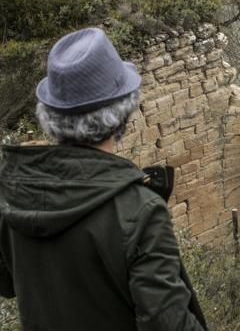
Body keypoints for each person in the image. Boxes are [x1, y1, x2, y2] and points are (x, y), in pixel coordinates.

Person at [0, 27, 206, 330]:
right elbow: (167, 322)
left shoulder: (14, 190)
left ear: (50, 116)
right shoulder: (139, 211)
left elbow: (7, 283)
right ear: (122, 114)